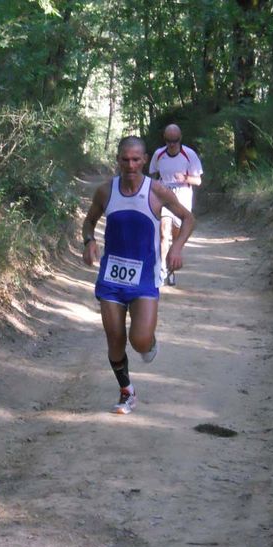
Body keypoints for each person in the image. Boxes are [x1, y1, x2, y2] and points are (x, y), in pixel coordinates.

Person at [82, 136, 195, 415]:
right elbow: (89, 221)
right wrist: (89, 241)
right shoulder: (106, 192)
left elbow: (188, 218)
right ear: (118, 160)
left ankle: (150, 342)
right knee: (115, 338)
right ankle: (126, 392)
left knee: (140, 340)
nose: (130, 165)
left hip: (145, 277)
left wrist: (176, 248)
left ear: (145, 160)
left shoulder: (156, 191)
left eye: (136, 159)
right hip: (111, 278)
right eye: (125, 159)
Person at [149, 124, 203, 286]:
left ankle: (171, 269)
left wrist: (185, 178)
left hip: (182, 200)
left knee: (176, 236)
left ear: (180, 139)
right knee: (164, 233)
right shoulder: (159, 154)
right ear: (164, 139)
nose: (172, 144)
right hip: (165, 199)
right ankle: (162, 269)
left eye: (175, 140)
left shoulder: (189, 155)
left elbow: (198, 181)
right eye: (168, 140)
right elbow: (152, 175)